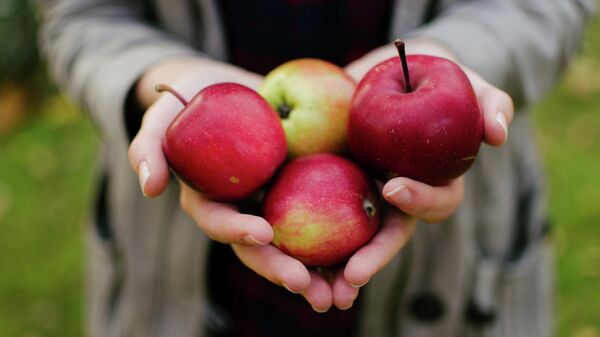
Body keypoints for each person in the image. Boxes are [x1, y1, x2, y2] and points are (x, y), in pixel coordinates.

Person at [36, 0, 595, 336]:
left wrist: (448, 51)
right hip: (177, 271)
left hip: (454, 267)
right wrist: (155, 73)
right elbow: (81, 15)